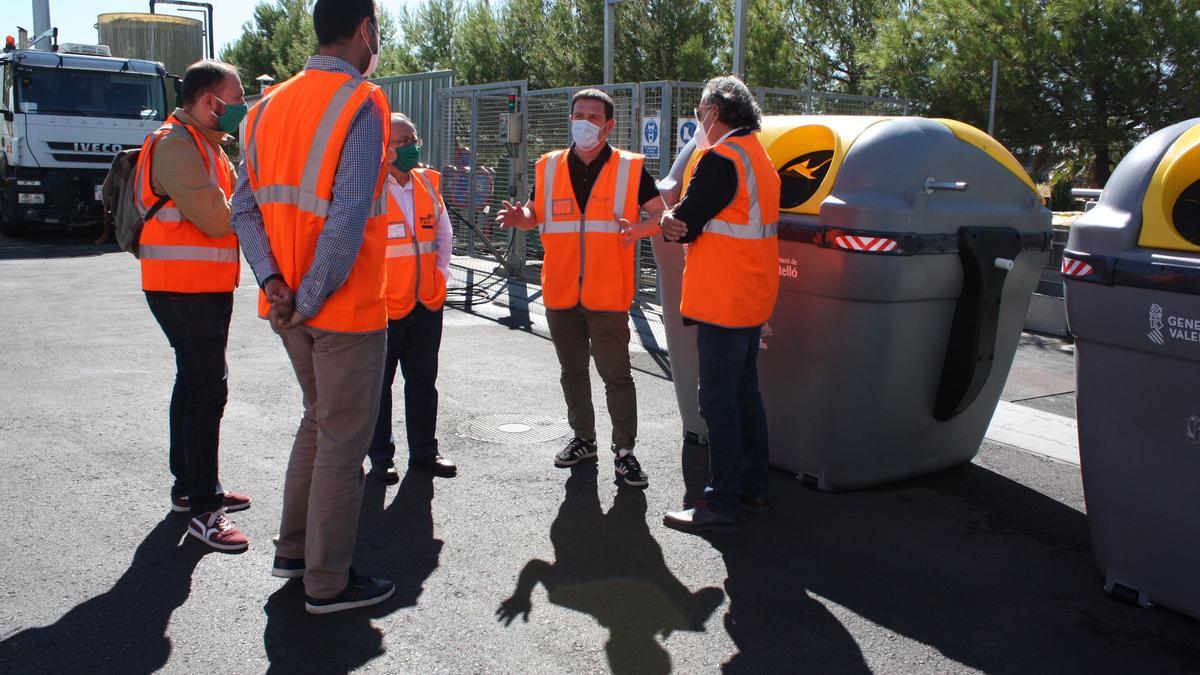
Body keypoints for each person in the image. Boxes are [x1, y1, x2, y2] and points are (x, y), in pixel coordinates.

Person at [231, 0, 395, 614]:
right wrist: (311, 295)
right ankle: (327, 581)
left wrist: (276, 283)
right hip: (340, 308)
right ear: (363, 32)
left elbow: (243, 208)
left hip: (287, 306)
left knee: (317, 420)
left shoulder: (264, 109)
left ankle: (294, 551)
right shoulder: (361, 103)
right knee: (342, 441)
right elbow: (349, 216)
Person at [496, 89, 666, 488]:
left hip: (607, 293)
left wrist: (640, 228)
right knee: (572, 372)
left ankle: (624, 452)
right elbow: (536, 214)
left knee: (617, 376)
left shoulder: (630, 168)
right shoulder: (548, 166)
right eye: (578, 115)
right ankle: (583, 440)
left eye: (593, 117)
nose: (583, 122)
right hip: (560, 292)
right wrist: (521, 217)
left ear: (609, 125)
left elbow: (660, 215)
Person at [136, 59, 250, 552]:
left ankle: (190, 487)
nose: (240, 107)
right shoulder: (175, 144)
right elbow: (218, 219)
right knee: (207, 388)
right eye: (237, 97)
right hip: (181, 288)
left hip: (200, 286)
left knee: (194, 383)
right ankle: (205, 509)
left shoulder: (206, 145)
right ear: (210, 102)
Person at [660, 76, 781, 534]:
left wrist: (670, 220)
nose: (697, 119)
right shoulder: (758, 157)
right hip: (751, 296)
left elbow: (684, 223)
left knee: (716, 402)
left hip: (723, 301)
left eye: (699, 111)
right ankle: (753, 489)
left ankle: (721, 501)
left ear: (714, 111)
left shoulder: (719, 158)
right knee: (745, 396)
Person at [367, 112, 457, 484]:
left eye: (413, 139)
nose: (410, 147)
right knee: (379, 385)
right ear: (384, 149)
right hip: (383, 306)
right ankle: (381, 456)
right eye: (401, 142)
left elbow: (443, 235)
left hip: (426, 302)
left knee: (423, 380)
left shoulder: (426, 183)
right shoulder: (370, 188)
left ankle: (424, 451)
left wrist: (441, 275)